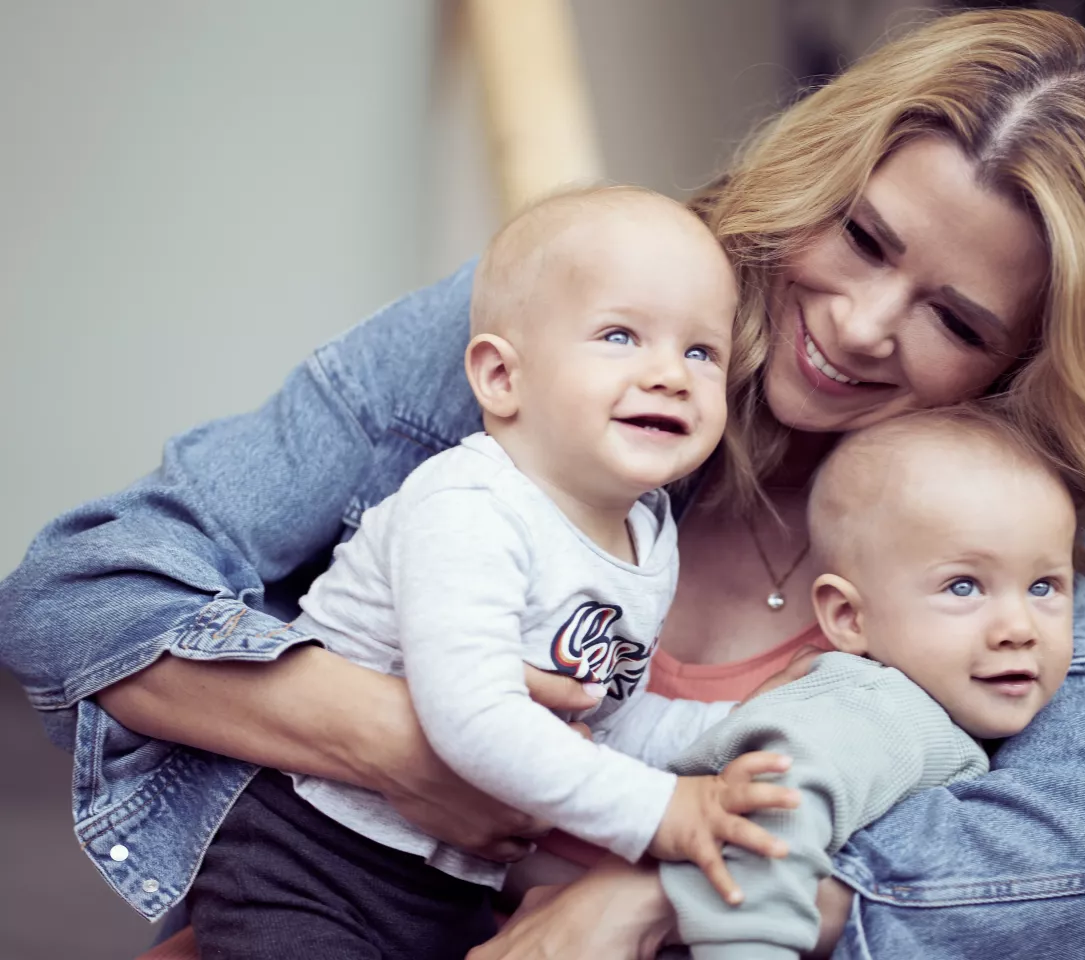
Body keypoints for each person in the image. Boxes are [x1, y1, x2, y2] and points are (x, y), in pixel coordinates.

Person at [0, 9, 1085, 959]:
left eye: (953, 319)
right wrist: (403, 742)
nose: (858, 324)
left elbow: (1079, 882)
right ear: (817, 174)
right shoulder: (563, 330)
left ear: (1020, 370)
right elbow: (75, 592)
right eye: (860, 237)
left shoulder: (1000, 561)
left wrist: (653, 898)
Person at [185, 186, 799, 959]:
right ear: (502, 378)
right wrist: (659, 810)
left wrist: (745, 730)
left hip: (450, 885)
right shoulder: (469, 505)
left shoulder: (645, 533)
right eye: (620, 336)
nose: (671, 375)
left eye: (700, 352)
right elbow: (472, 716)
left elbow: (607, 713)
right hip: (310, 855)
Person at [659, 406, 1075, 959]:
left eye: (1043, 586)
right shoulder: (869, 712)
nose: (1019, 629)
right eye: (963, 586)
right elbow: (758, 851)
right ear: (849, 618)